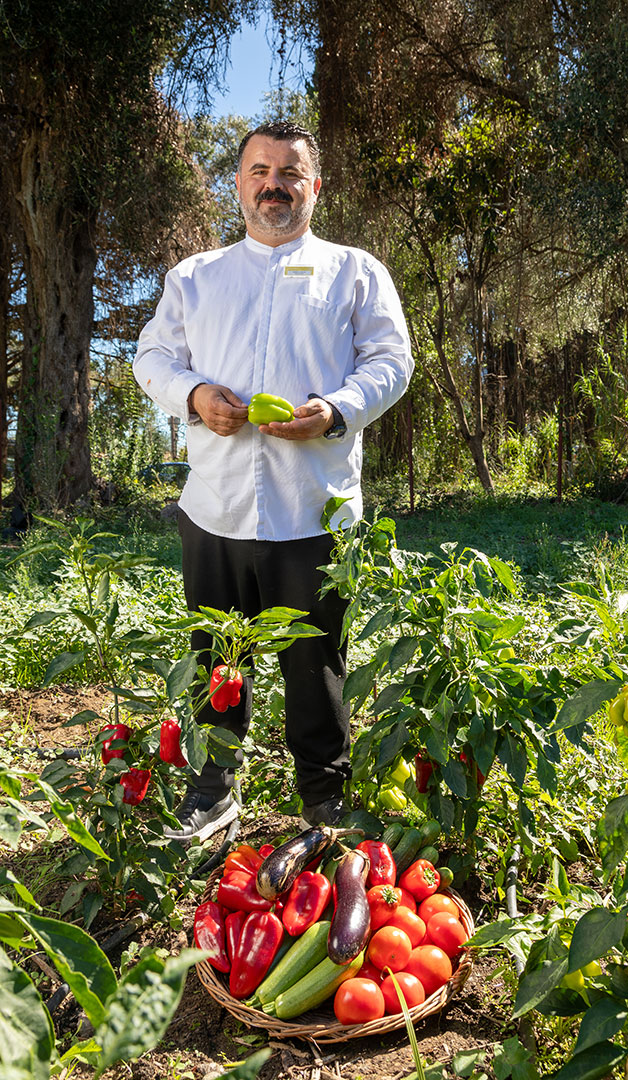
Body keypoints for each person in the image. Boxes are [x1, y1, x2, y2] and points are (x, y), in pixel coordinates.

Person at [133, 120, 413, 841]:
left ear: (314, 186)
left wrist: (337, 409)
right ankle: (214, 789)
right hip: (214, 507)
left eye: (290, 173)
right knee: (215, 660)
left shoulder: (354, 271)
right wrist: (194, 395)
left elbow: (391, 360)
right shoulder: (196, 277)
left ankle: (323, 800)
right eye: (259, 171)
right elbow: (153, 357)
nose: (274, 185)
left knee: (316, 665)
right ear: (238, 184)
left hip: (312, 512)